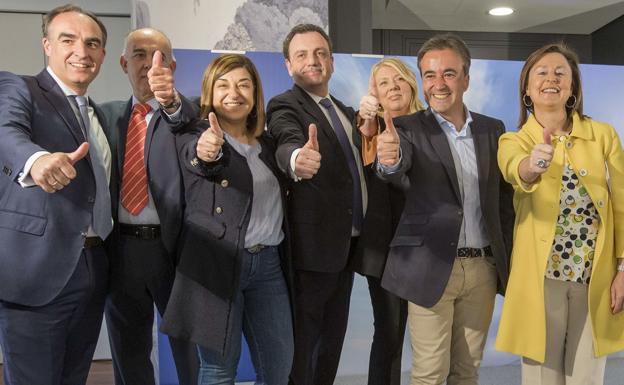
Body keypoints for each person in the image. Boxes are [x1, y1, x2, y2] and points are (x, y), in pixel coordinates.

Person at [375, 33, 514, 385]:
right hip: (430, 267)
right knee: (430, 373)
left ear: (466, 78)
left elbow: (503, 202)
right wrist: (389, 160)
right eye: (429, 75)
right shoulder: (406, 128)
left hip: (482, 269)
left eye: (449, 74)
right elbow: (394, 167)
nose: (438, 84)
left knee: (467, 372)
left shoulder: (491, 129)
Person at [267, 24, 391, 385]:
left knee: (332, 342)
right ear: (289, 65)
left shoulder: (343, 110)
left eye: (320, 53)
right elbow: (286, 140)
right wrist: (295, 160)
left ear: (332, 62)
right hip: (312, 250)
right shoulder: (285, 104)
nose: (313, 60)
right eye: (302, 54)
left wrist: (370, 125)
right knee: (305, 344)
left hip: (347, 246)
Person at [160, 54, 294, 385]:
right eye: (223, 85)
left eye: (243, 84)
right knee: (219, 369)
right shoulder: (196, 133)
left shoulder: (268, 142)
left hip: (269, 266)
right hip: (216, 264)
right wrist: (209, 151)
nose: (234, 92)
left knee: (279, 367)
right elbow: (202, 157)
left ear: (255, 93)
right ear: (209, 92)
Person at [495, 43, 624, 385]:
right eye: (541, 72)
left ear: (572, 88)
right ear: (526, 87)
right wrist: (533, 166)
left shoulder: (604, 137)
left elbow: (622, 205)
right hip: (541, 280)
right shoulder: (513, 140)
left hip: (595, 278)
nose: (550, 79)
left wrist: (623, 268)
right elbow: (516, 171)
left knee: (587, 377)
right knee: (542, 378)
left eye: (560, 73)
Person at [0, 4, 111, 384]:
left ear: (103, 55)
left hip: (95, 268)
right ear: (47, 45)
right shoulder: (19, 88)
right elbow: (6, 132)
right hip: (37, 273)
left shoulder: (96, 113)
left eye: (92, 43)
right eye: (68, 40)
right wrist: (37, 160)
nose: (82, 51)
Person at [100, 28, 198, 385]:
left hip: (174, 252)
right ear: (124, 63)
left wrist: (170, 100)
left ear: (171, 65)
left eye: (158, 57)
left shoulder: (188, 115)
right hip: (121, 250)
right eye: (139, 55)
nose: (148, 64)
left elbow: (188, 120)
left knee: (190, 353)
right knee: (129, 354)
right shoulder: (105, 115)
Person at [354, 57, 424, 385]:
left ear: (411, 83)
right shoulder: (371, 132)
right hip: (384, 251)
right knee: (389, 332)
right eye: (383, 83)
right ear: (375, 94)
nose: (393, 87)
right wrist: (369, 123)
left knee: (418, 336)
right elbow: (366, 151)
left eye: (398, 80)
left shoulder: (432, 128)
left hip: (426, 249)